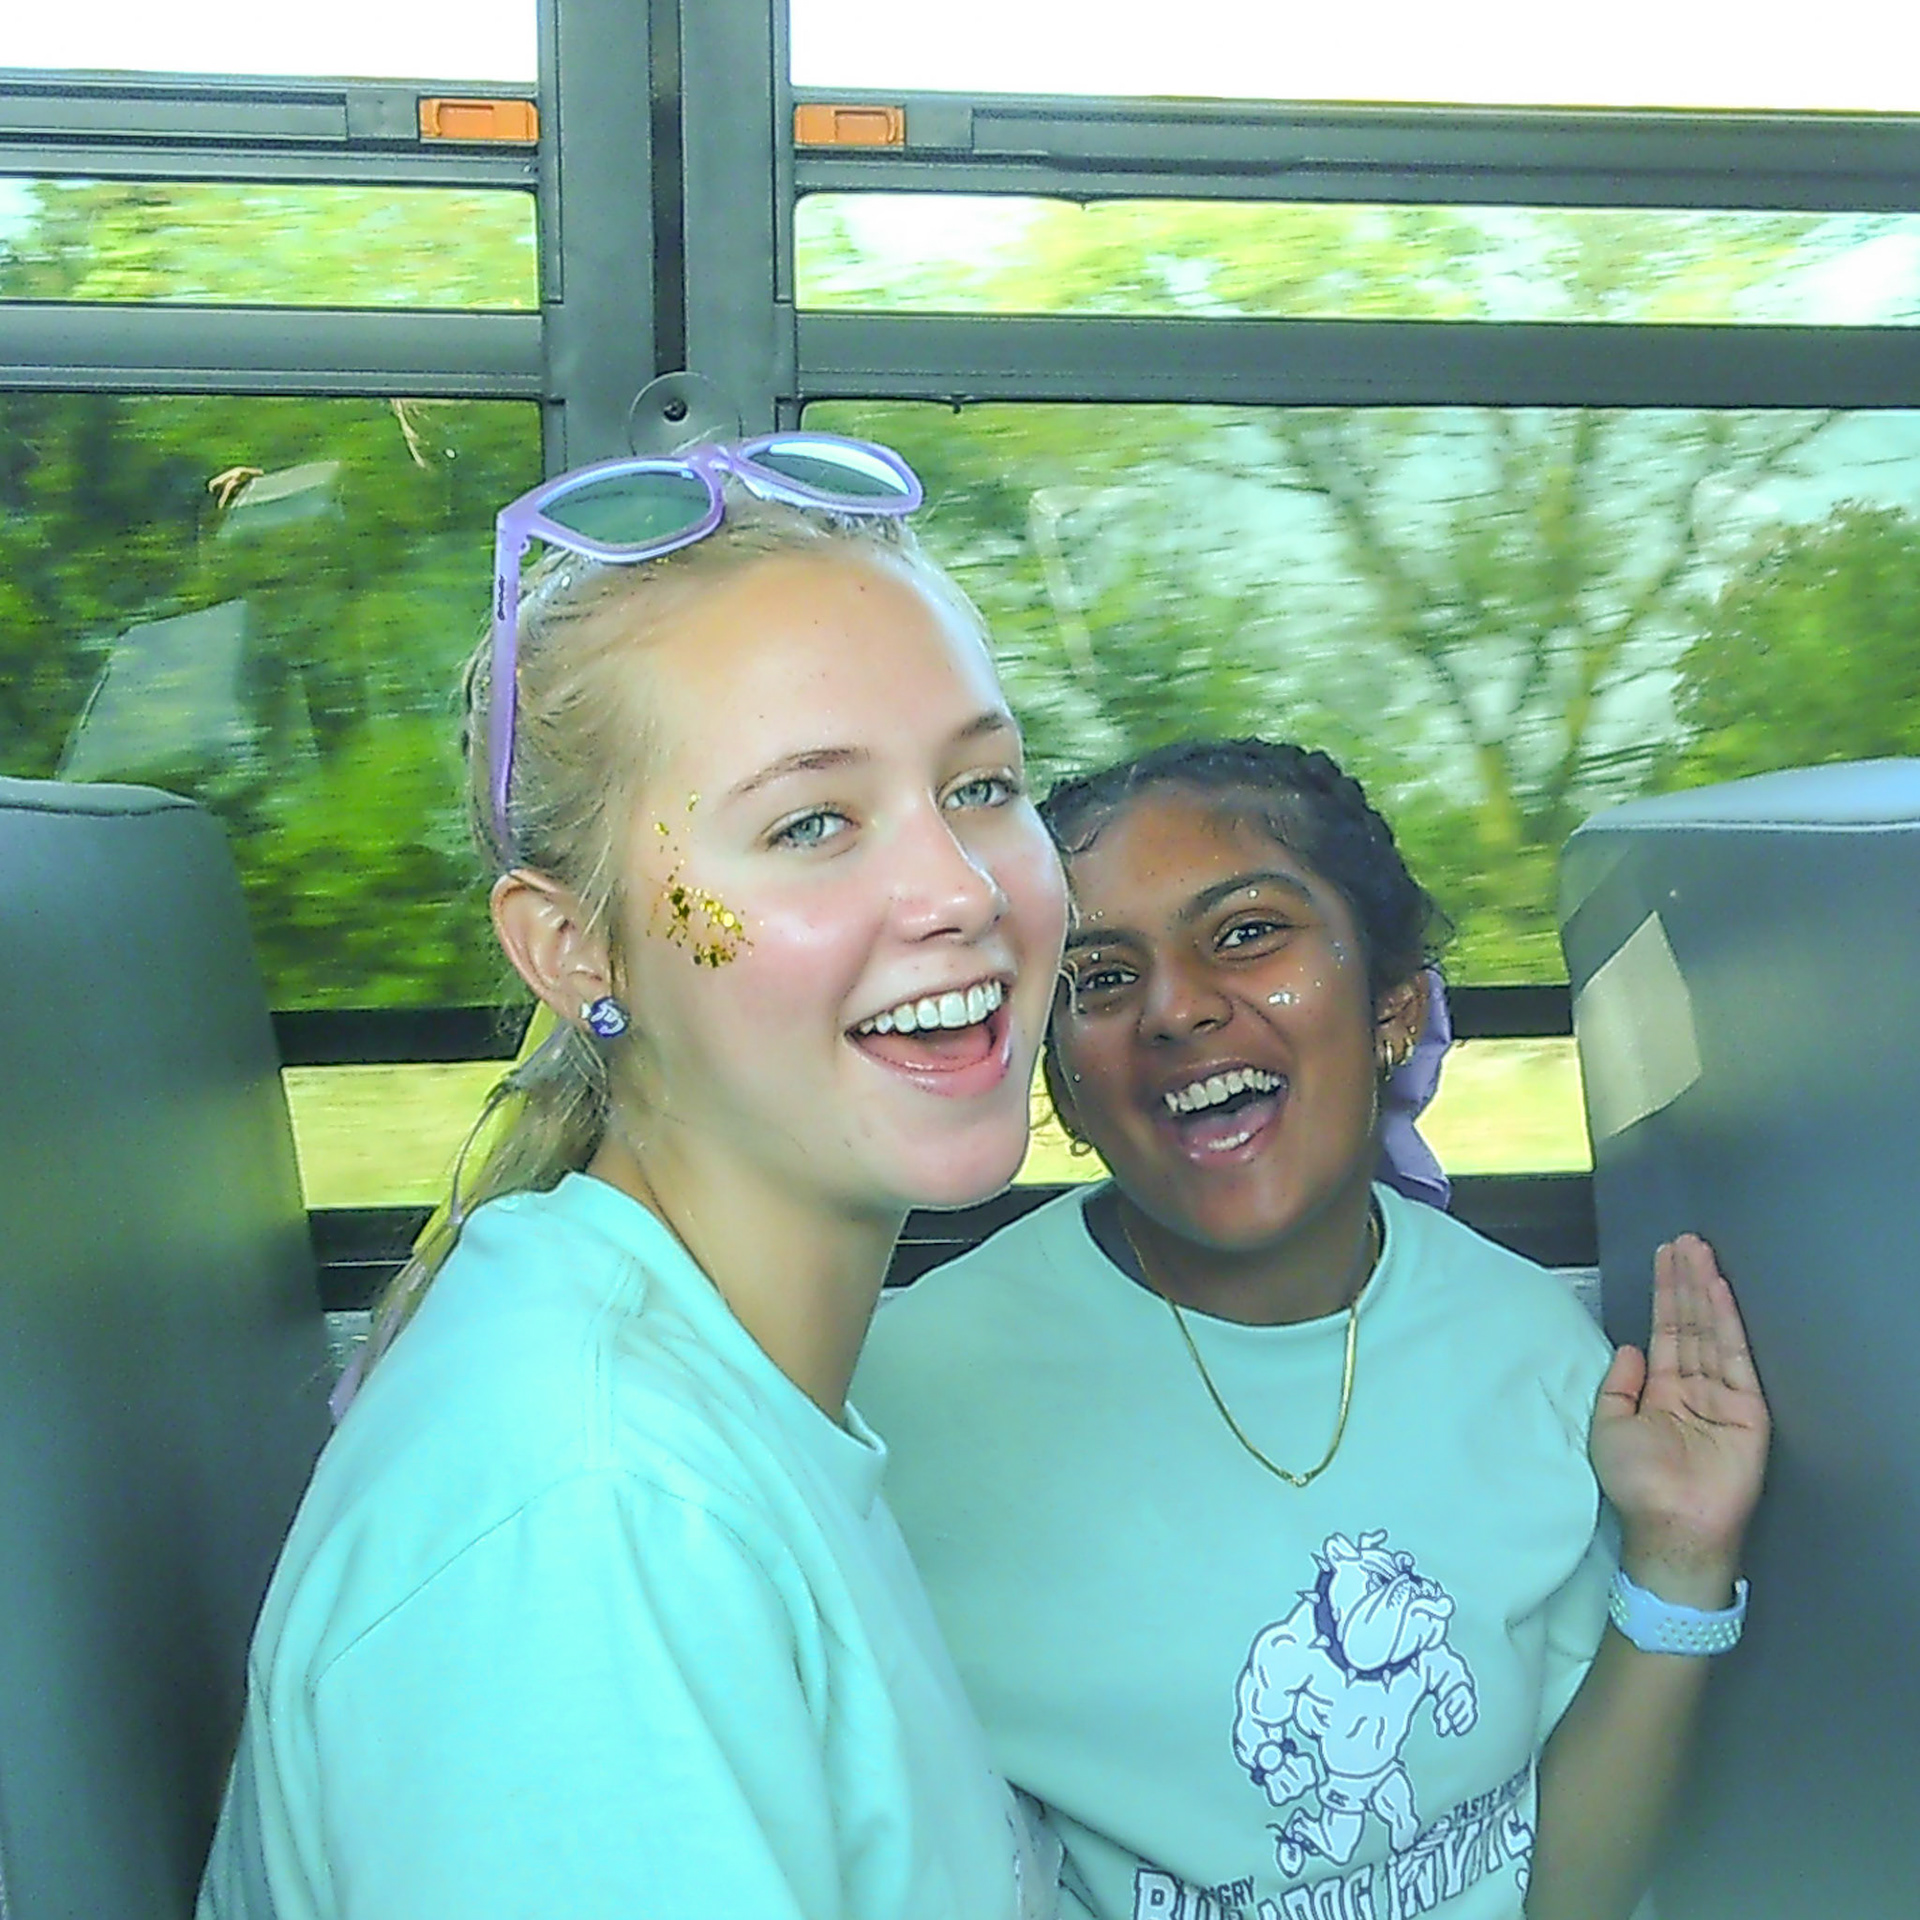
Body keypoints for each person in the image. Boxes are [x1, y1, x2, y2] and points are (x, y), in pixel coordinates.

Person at [197, 435, 1070, 1920]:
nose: (961, 888)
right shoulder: (590, 1513)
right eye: (811, 822)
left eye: (982, 785)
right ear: (575, 950)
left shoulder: (700, 1400)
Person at [855, 737, 1770, 1920]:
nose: (1176, 1007)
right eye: (1101, 978)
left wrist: (1682, 1556)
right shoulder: (909, 1401)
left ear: (1394, 1009)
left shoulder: (1536, 1350)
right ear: (1065, 1088)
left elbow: (1571, 1887)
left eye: (1246, 933)